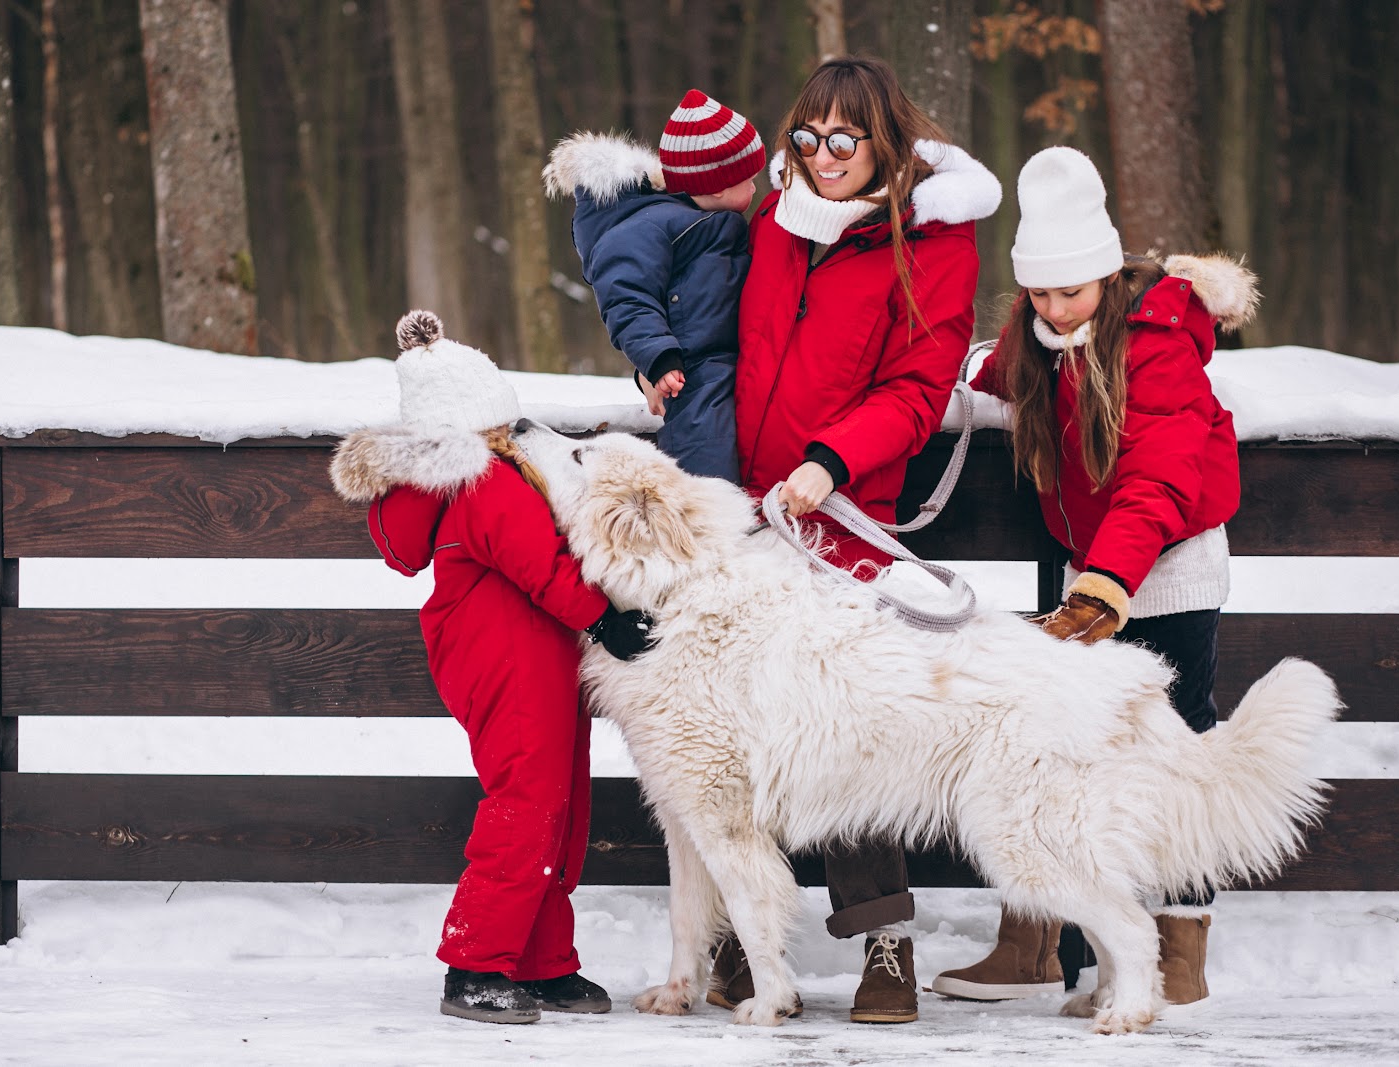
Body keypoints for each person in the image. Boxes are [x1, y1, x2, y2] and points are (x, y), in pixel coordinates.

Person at [934, 146, 1259, 1007]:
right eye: (1037, 292)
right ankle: (1040, 941)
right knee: (1061, 748)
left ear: (1108, 275)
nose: (1051, 307)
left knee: (1176, 743)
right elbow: (990, 372)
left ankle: (1178, 944)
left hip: (1170, 567)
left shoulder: (1159, 347)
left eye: (1068, 291)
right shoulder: (1036, 338)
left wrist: (1102, 590)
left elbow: (1156, 483)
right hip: (1093, 576)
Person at [726, 56, 1001, 1024]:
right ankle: (738, 934)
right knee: (734, 724)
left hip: (840, 516)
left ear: (886, 141)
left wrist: (829, 462)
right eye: (804, 136)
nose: (821, 156)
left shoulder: (932, 239)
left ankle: (884, 937)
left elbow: (921, 387)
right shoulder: (768, 222)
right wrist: (660, 368)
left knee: (841, 727)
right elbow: (725, 335)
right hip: (742, 511)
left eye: (843, 138)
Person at [328, 310, 654, 1024]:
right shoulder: (482, 482)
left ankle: (540, 961)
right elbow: (542, 565)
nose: (510, 437)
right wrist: (604, 618)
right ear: (464, 431)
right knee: (530, 802)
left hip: (527, 657)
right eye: (498, 426)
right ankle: (475, 964)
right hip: (507, 661)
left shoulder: (475, 475)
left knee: (558, 804)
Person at [544, 89, 765, 482]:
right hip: (693, 368)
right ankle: (707, 516)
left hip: (733, 358)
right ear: (716, 187)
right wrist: (658, 357)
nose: (755, 189)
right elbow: (627, 299)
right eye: (748, 180)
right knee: (707, 451)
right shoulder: (647, 228)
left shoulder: (695, 219)